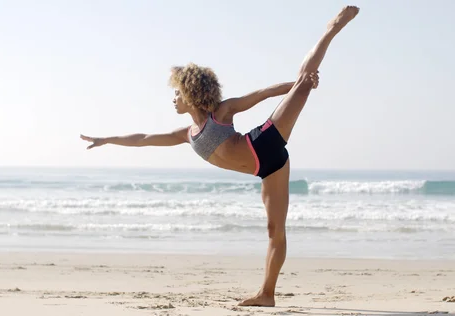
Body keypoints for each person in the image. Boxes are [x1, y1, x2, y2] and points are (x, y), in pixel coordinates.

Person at [81, 5, 360, 307]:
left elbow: (262, 93)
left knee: (305, 82)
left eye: (176, 93)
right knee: (274, 230)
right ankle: (267, 294)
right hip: (268, 168)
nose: (173, 98)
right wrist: (106, 139)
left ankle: (332, 27)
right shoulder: (186, 135)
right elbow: (144, 139)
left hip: (265, 141)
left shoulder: (221, 112)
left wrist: (296, 87)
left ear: (189, 93)